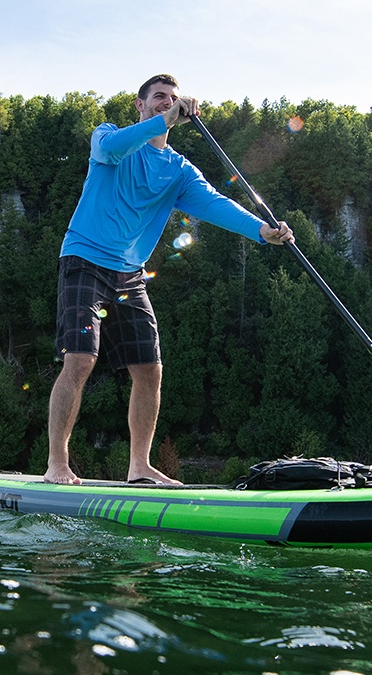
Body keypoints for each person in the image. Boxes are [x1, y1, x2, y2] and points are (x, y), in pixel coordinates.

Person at [43, 73, 296, 486]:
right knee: (81, 360)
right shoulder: (110, 138)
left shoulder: (179, 171)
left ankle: (139, 467)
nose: (167, 102)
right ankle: (57, 464)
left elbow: (217, 204)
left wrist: (261, 231)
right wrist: (164, 120)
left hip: (130, 275)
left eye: (173, 99)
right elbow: (110, 148)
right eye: (159, 97)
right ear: (140, 105)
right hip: (84, 260)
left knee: (150, 370)